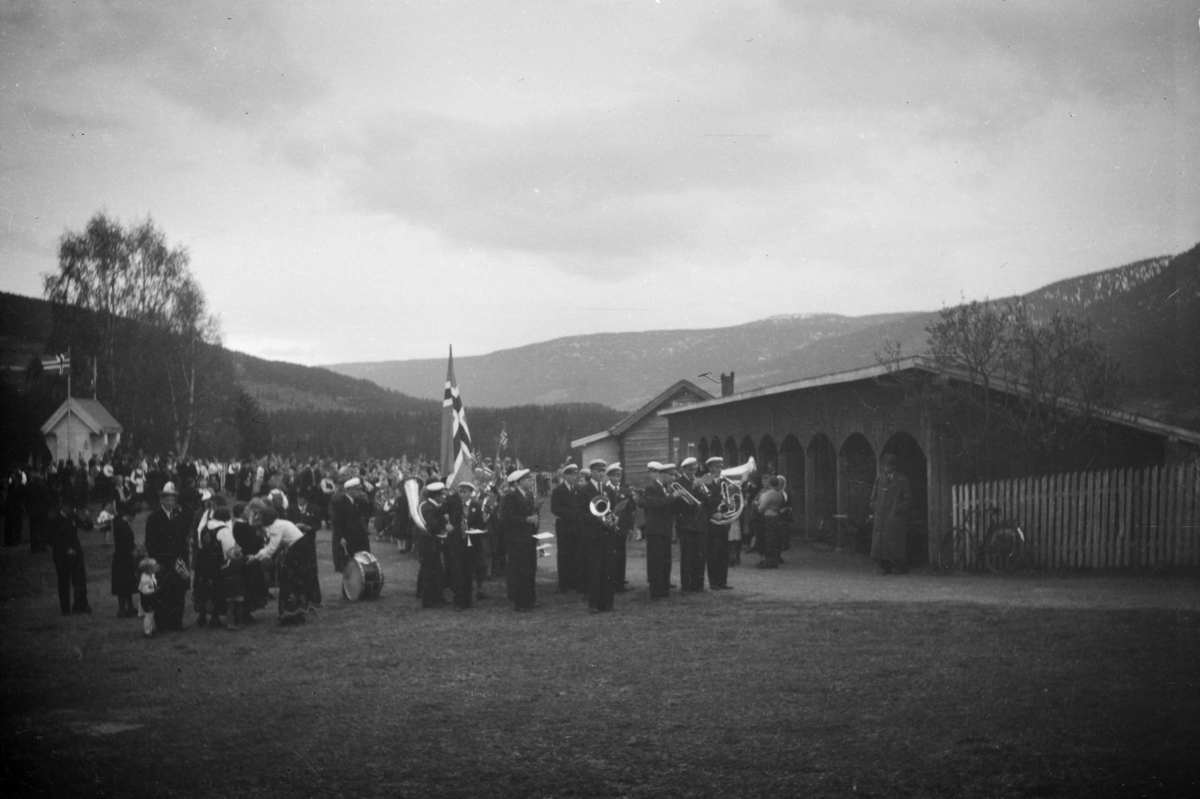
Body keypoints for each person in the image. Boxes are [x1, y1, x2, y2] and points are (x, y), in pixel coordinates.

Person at [249, 507, 321, 624]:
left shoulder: (275, 527)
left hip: (297, 552)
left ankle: (290, 614)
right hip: (302, 551)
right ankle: (297, 613)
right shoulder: (282, 522)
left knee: (290, 583)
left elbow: (271, 548)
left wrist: (256, 557)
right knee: (298, 582)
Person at [144, 481, 190, 630]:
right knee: (163, 593)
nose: (170, 502)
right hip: (163, 561)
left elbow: (183, 538)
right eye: (167, 500)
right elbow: (150, 542)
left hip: (179, 561)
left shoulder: (179, 515)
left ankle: (177, 623)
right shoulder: (153, 517)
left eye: (172, 500)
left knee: (178, 592)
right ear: (161, 501)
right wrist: (156, 560)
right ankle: (163, 623)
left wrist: (184, 556)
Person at [576, 459, 614, 613]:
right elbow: (580, 514)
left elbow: (612, 508)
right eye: (598, 471)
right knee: (594, 570)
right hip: (592, 536)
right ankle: (594, 604)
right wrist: (597, 519)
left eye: (603, 471)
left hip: (606, 534)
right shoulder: (584, 490)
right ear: (591, 472)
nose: (601, 474)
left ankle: (607, 604)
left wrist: (614, 518)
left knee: (607, 570)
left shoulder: (607, 489)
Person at [499, 469, 540, 612]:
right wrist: (525, 520)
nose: (530, 482)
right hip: (516, 540)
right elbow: (505, 518)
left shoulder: (529, 496)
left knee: (529, 570)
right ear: (520, 482)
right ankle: (519, 602)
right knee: (519, 571)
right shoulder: (510, 497)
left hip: (529, 539)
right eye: (528, 480)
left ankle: (529, 599)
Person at [48, 495, 92, 615]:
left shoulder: (73, 517)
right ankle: (65, 609)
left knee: (80, 580)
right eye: (70, 507)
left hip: (76, 552)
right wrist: (66, 549)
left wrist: (88, 518)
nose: (72, 510)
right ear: (63, 506)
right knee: (64, 582)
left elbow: (87, 527)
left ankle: (80, 605)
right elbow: (52, 539)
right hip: (62, 556)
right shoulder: (55, 520)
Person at [639, 462, 676, 600]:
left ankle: (664, 589)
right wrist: (673, 497)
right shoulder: (652, 487)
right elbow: (656, 504)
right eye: (670, 475)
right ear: (662, 474)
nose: (672, 478)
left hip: (665, 530)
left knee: (666, 561)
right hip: (655, 530)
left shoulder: (666, 488)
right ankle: (656, 591)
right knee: (656, 562)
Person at [870, 453, 911, 575]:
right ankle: (883, 567)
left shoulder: (902, 480)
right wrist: (875, 507)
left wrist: (898, 508)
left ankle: (896, 567)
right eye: (884, 466)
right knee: (881, 543)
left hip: (894, 519)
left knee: (895, 545)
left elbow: (908, 500)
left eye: (887, 466)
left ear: (894, 466)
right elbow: (873, 497)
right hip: (881, 518)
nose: (885, 469)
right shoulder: (879, 479)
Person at [700, 457, 734, 590]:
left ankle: (723, 581)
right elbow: (702, 503)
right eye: (716, 467)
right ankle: (714, 582)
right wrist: (713, 514)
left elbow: (727, 499)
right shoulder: (705, 480)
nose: (720, 469)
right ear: (710, 468)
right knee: (713, 553)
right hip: (712, 522)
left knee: (723, 553)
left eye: (721, 467)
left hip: (723, 522)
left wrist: (730, 504)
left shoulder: (724, 481)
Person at [674, 457, 707, 593]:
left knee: (700, 556)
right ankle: (686, 587)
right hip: (686, 525)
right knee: (687, 558)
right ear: (684, 469)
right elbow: (680, 506)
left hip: (699, 524)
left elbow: (706, 502)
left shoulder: (699, 481)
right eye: (690, 468)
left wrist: (701, 491)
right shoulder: (678, 483)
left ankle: (698, 585)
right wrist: (693, 491)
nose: (693, 470)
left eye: (694, 467)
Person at [416, 482, 450, 608]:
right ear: (436, 495)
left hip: (430, 544)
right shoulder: (428, 507)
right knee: (431, 572)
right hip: (428, 544)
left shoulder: (429, 506)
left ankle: (435, 598)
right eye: (441, 494)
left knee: (435, 572)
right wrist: (445, 524)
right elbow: (433, 526)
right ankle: (429, 600)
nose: (443, 497)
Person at [603, 463, 635, 593]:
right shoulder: (604, 490)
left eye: (618, 476)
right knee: (610, 555)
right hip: (609, 527)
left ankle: (620, 582)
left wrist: (630, 527)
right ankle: (609, 582)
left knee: (621, 556)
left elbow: (631, 510)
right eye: (614, 476)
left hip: (621, 528)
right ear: (609, 477)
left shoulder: (625, 491)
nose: (616, 479)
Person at [550, 464, 582, 593]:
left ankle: (575, 582)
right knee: (564, 555)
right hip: (564, 527)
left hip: (577, 527)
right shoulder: (558, 490)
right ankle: (564, 583)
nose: (574, 477)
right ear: (566, 476)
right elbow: (555, 508)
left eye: (575, 475)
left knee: (576, 554)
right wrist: (571, 513)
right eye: (572, 475)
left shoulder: (578, 489)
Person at [111, 501, 139, 618]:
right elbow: (127, 544)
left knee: (126, 583)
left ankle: (130, 607)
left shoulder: (120, 522)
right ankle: (122, 610)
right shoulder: (123, 526)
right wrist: (135, 550)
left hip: (121, 558)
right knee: (123, 584)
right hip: (123, 558)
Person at [755, 476, 787, 568]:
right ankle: (773, 561)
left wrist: (758, 504)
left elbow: (761, 508)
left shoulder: (770, 493)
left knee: (768, 540)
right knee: (773, 539)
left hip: (768, 516)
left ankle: (768, 562)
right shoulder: (779, 493)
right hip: (776, 516)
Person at [138, 557, 160, 637]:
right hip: (146, 599)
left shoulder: (152, 575)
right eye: (154, 566)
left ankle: (151, 629)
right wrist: (154, 590)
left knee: (152, 614)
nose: (157, 566)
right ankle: (147, 632)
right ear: (148, 569)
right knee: (148, 615)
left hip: (151, 598)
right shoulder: (144, 579)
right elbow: (145, 591)